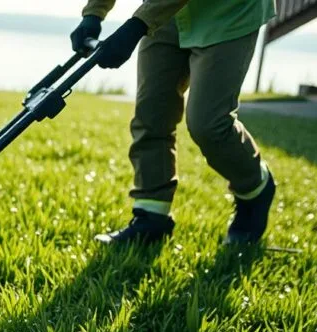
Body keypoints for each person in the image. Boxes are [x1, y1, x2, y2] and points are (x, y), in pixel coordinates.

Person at [70, 0, 277, 245]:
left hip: (229, 13)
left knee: (209, 124)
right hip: (166, 14)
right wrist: (94, 13)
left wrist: (137, 25)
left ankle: (255, 188)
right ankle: (151, 217)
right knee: (152, 114)